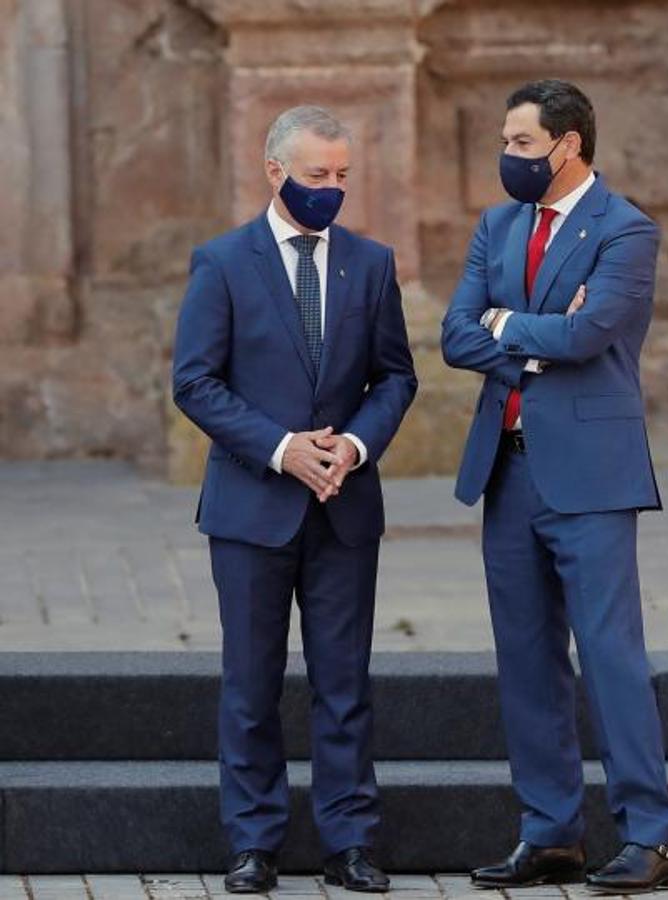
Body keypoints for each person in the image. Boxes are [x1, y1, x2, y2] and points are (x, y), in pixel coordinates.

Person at [441, 79, 668, 894]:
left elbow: (590, 332)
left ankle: (649, 836)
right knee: (526, 660)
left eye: (518, 144)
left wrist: (506, 325)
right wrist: (527, 337)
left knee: (610, 656)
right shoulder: (497, 224)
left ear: (566, 145)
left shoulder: (626, 228)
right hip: (507, 470)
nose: (506, 158)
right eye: (505, 143)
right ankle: (549, 836)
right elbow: (453, 334)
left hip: (590, 478)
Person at [172, 105, 417, 894]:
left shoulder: (371, 264)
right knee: (251, 682)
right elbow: (195, 381)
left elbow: (396, 376)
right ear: (275, 170)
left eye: (343, 175)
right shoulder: (221, 262)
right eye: (318, 175)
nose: (332, 189)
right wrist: (283, 449)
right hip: (251, 507)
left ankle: (349, 843)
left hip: (344, 506)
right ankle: (253, 843)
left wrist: (349, 445)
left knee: (344, 684)